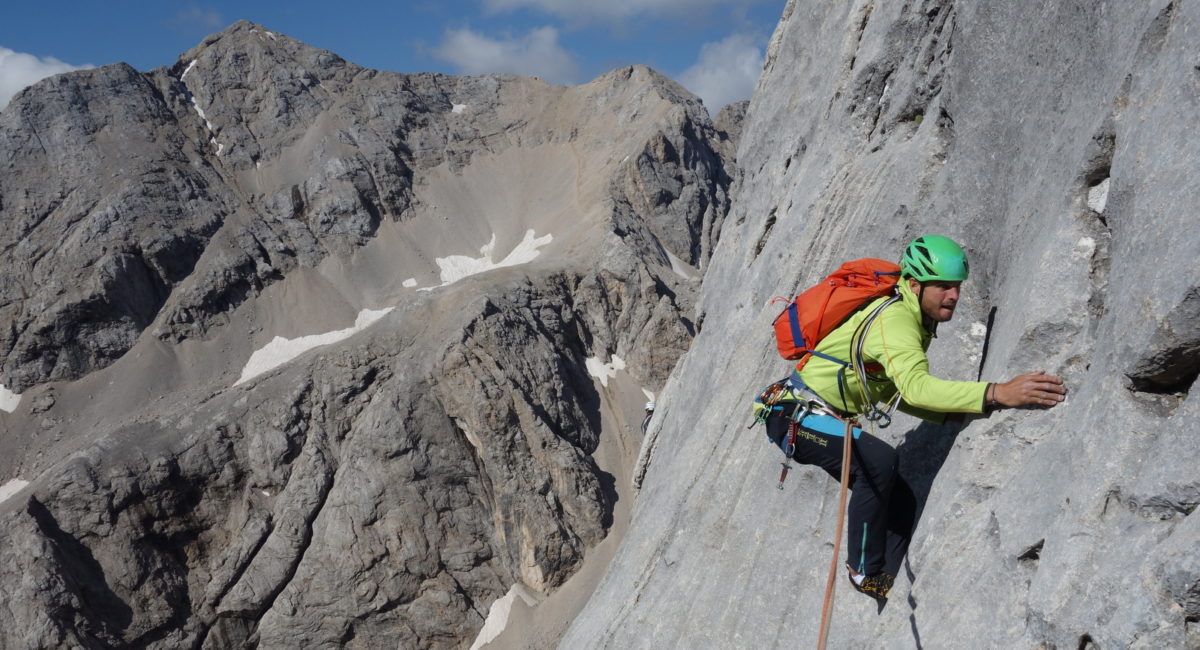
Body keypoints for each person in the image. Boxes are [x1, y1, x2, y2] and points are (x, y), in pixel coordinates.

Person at [762, 235, 1067, 604]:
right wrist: (995, 393)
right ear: (913, 284)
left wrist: (945, 414)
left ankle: (882, 583)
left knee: (901, 500)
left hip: (809, 413)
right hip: (797, 415)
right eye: (942, 286)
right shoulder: (896, 322)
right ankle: (862, 570)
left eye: (956, 287)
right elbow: (917, 389)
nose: (953, 295)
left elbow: (895, 390)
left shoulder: (911, 318)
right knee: (878, 465)